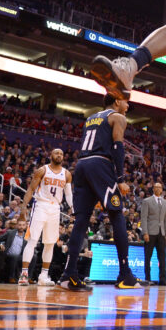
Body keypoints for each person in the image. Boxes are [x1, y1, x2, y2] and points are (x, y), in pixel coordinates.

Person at [58, 94, 143, 291]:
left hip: (82, 165)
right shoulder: (117, 117)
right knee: (117, 215)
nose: (128, 106)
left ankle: (68, 275)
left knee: (81, 221)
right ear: (116, 102)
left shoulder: (91, 118)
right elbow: (118, 147)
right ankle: (125, 275)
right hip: (100, 164)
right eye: (125, 101)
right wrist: (120, 179)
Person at [18, 148, 72, 286]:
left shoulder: (66, 174)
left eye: (61, 154)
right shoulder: (42, 170)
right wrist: (23, 208)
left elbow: (69, 194)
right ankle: (24, 274)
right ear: (50, 155)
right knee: (33, 240)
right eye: (56, 153)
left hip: (55, 208)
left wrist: (73, 208)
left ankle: (43, 276)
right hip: (41, 205)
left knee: (50, 243)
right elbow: (30, 189)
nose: (59, 155)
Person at [141, 182, 166, 286]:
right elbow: (143, 218)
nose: (158, 189)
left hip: (161, 233)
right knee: (148, 257)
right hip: (150, 232)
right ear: (153, 189)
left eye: (160, 187)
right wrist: (145, 232)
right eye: (156, 187)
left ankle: (162, 280)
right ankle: (147, 279)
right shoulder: (146, 201)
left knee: (162, 257)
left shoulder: (165, 202)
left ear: (162, 189)